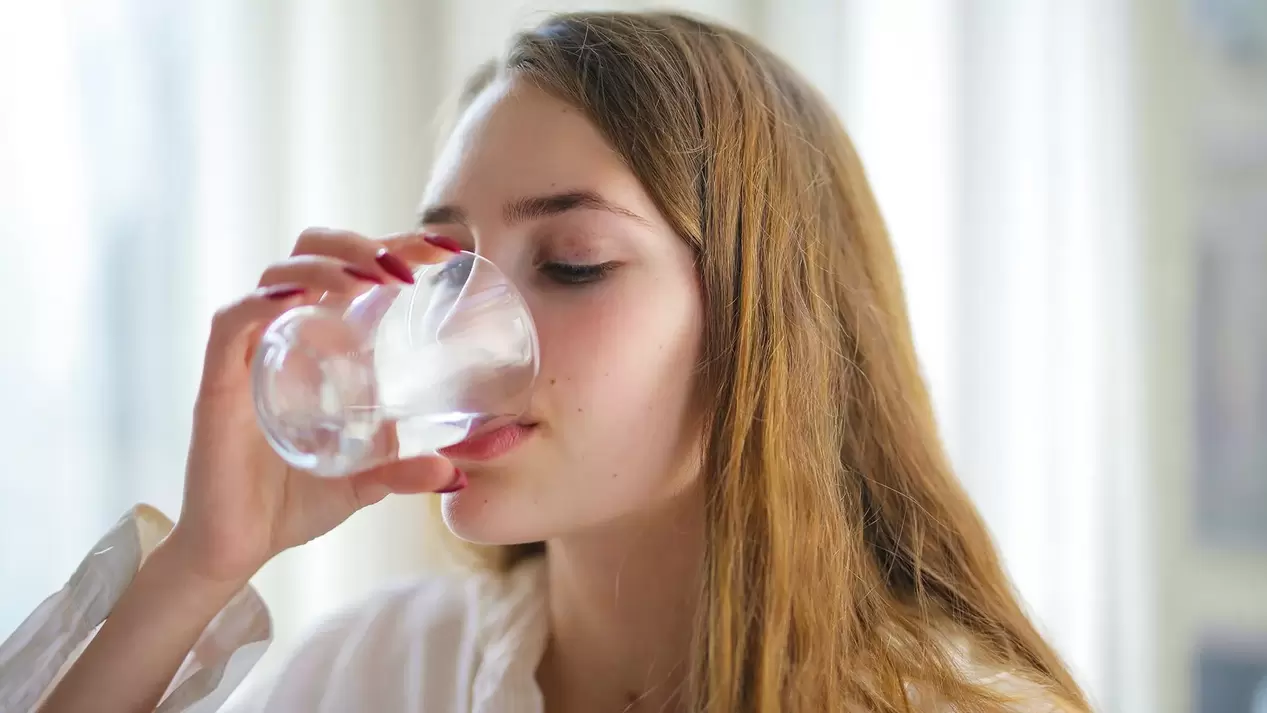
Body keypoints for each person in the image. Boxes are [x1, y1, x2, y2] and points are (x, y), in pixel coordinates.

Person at [7, 10, 1089, 713]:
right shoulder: (385, 670)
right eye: (445, 267)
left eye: (570, 262)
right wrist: (201, 565)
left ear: (767, 325)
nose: (460, 331)